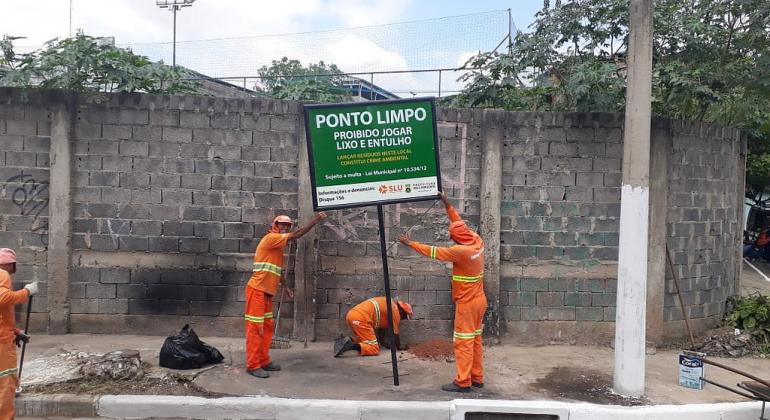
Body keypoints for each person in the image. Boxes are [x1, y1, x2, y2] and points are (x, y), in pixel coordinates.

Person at [398, 192, 487, 393]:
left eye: (452, 237)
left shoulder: (460, 252)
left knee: (463, 343)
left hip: (467, 304)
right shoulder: (476, 240)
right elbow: (458, 222)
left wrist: (411, 243)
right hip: (480, 301)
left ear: (457, 238)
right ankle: (477, 377)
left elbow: (434, 252)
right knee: (475, 340)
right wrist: (446, 203)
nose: (452, 239)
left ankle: (463, 382)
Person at [245, 212, 326, 379]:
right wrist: (316, 220)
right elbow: (298, 234)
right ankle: (252, 365)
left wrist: (286, 287)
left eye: (287, 226)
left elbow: (277, 270)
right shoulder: (271, 238)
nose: (284, 227)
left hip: (266, 292)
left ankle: (263, 360)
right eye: (282, 224)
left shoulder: (278, 245)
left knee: (267, 327)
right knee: (255, 329)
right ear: (275, 225)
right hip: (257, 290)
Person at [0, 248, 38, 419]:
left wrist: (16, 332)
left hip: (5, 334)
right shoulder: (2, 274)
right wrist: (27, 292)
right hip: (2, 342)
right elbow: (3, 298)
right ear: (10, 264)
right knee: (5, 384)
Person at [334, 297, 413, 357]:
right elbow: (395, 334)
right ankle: (350, 346)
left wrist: (383, 343)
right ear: (402, 311)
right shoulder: (395, 312)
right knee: (374, 348)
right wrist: (399, 347)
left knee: (364, 340)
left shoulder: (389, 303)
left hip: (352, 315)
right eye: (404, 316)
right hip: (361, 319)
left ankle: (345, 340)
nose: (403, 319)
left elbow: (382, 330)